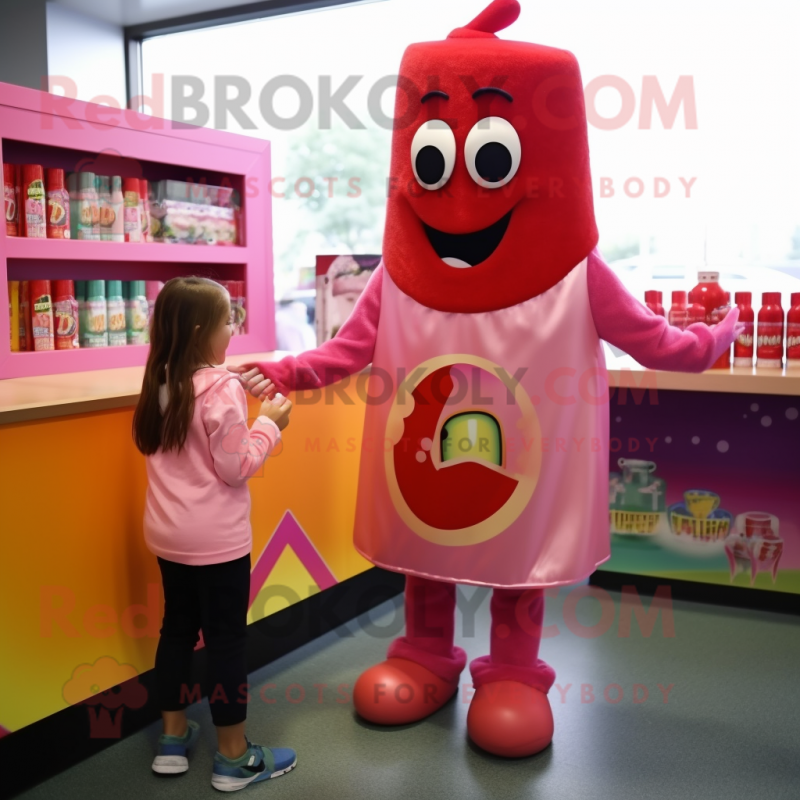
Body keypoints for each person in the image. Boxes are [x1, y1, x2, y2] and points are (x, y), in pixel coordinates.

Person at [132, 276, 296, 791]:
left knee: (175, 632)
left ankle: (173, 740)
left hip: (168, 536)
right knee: (226, 642)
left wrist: (230, 379)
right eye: (229, 321)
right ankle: (233, 757)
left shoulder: (160, 375)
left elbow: (199, 402)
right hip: (218, 544)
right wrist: (269, 423)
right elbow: (235, 467)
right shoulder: (219, 389)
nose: (235, 329)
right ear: (203, 329)